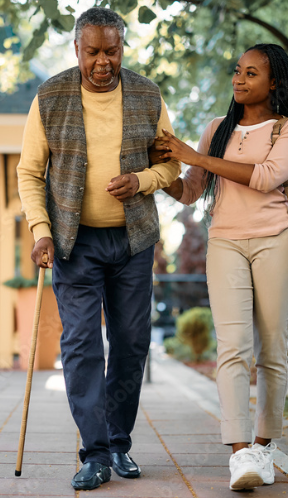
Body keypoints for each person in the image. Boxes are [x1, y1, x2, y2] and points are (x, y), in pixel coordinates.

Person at [17, 7, 181, 491]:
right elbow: (30, 172)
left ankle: (118, 442)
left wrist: (142, 180)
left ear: (122, 48)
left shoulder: (148, 94)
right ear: (77, 50)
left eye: (112, 50)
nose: (104, 61)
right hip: (74, 240)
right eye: (94, 52)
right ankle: (94, 453)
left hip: (132, 241)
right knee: (82, 344)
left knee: (132, 343)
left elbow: (170, 166)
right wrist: (41, 229)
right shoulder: (50, 96)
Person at [152, 43, 288, 491]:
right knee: (233, 347)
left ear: (274, 83)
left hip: (276, 241)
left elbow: (266, 177)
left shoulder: (284, 129)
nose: (239, 79)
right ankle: (239, 453)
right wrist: (161, 173)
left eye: (252, 73)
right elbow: (192, 192)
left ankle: (265, 446)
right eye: (237, 71)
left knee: (272, 350)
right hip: (225, 242)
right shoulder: (217, 129)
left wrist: (194, 156)